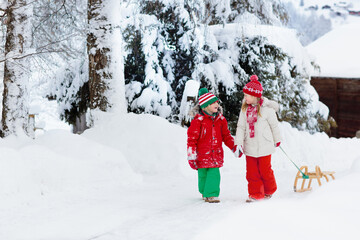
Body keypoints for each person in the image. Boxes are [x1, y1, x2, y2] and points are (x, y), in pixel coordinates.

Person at [187, 88, 242, 203]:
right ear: (205, 106)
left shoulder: (221, 120)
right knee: (202, 175)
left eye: (217, 102)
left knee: (214, 174)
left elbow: (226, 136)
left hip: (215, 154)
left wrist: (234, 147)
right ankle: (204, 192)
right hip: (201, 155)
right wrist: (191, 154)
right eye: (213, 103)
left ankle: (211, 194)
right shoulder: (198, 121)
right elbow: (192, 139)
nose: (217, 104)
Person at [235, 75, 281, 202]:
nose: (245, 98)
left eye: (247, 96)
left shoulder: (267, 110)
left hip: (265, 146)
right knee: (251, 172)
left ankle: (269, 189)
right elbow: (240, 127)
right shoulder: (244, 110)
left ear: (255, 96)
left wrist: (277, 139)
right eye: (244, 95)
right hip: (250, 146)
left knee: (265, 170)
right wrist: (238, 143)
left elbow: (274, 126)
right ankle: (255, 193)